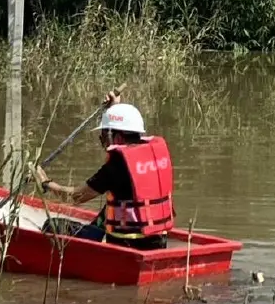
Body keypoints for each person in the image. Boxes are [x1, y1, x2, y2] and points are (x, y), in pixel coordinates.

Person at [32, 90, 175, 249]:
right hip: (157, 242)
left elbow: (75, 197)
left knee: (52, 225)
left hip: (126, 244)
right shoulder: (152, 154)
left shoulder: (115, 167)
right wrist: (115, 108)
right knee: (111, 207)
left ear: (117, 137)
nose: (104, 144)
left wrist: (45, 183)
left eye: (103, 138)